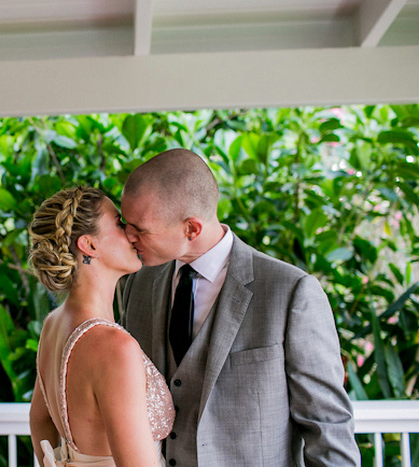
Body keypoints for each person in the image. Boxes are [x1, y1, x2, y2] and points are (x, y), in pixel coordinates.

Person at [120, 148, 360, 466]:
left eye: (140, 229)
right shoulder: (138, 284)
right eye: (126, 223)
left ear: (192, 228)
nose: (127, 236)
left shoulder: (290, 292)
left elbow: (327, 426)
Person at [28, 186, 175, 467]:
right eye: (120, 224)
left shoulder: (54, 324)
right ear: (90, 245)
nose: (133, 234)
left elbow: (40, 421)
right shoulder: (113, 347)